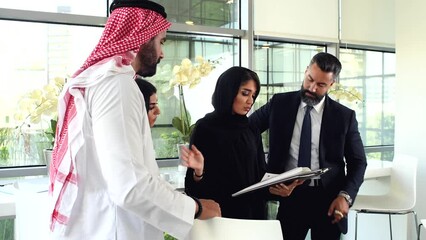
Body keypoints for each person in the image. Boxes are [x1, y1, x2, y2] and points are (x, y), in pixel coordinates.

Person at [48, 1, 220, 239]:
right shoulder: (117, 85)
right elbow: (129, 186)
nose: (162, 53)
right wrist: (196, 208)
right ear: (142, 36)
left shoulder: (100, 82)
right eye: (161, 41)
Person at [249, 52, 367, 240]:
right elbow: (247, 131)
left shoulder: (344, 117)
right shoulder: (279, 104)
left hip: (328, 198)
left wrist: (345, 196)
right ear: (305, 72)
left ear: (331, 85)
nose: (312, 88)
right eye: (309, 79)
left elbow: (358, 162)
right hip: (290, 195)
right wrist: (267, 177)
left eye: (321, 85)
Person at [182, 66, 268, 219]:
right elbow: (192, 189)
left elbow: (261, 175)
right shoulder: (205, 127)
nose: (250, 101)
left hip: (252, 214)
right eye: (245, 93)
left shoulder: (251, 128)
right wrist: (198, 172)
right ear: (228, 91)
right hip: (219, 215)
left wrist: (278, 186)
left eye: (253, 95)